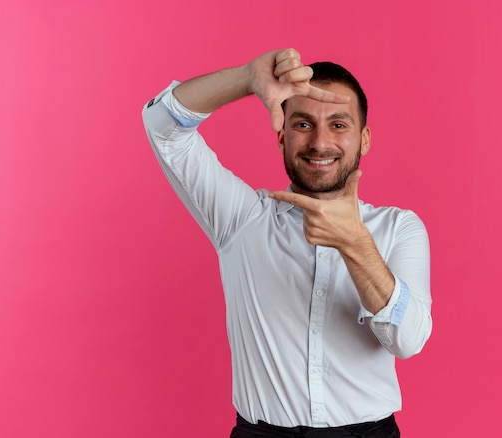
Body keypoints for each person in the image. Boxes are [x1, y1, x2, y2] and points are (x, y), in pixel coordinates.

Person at [142, 48, 432, 438]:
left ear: (364, 140)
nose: (321, 142)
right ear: (282, 137)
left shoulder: (399, 228)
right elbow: (162, 124)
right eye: (303, 124)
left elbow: (408, 340)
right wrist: (246, 79)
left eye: (339, 125)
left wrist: (355, 245)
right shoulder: (241, 219)